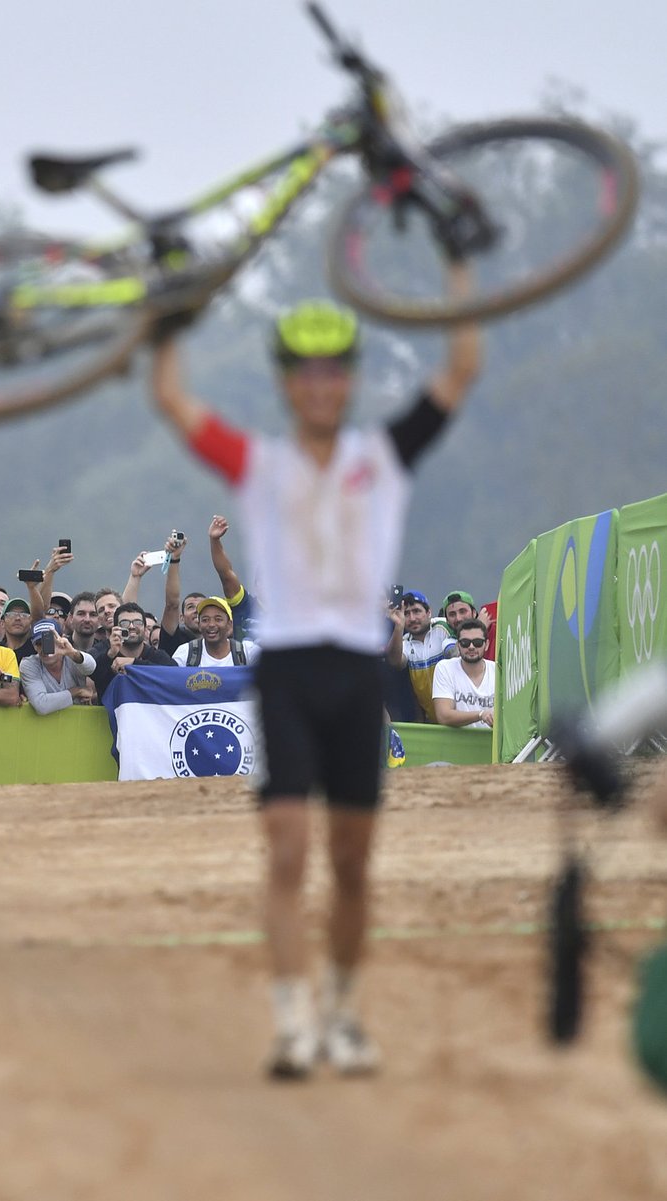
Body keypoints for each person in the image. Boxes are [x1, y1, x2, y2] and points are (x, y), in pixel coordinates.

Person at [150, 279, 481, 1080]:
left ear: (351, 379)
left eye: (335, 368)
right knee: (289, 851)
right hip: (291, 669)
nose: (321, 382)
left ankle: (342, 1011)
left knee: (353, 860)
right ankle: (294, 1020)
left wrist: (455, 256)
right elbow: (171, 396)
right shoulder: (259, 464)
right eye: (305, 369)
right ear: (286, 381)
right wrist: (168, 307)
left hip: (357, 669)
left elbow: (461, 364)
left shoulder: (383, 456)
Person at [386, 591, 454, 722]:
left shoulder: (443, 627)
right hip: (431, 721)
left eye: (417, 611)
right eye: (406, 613)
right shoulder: (405, 641)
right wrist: (398, 626)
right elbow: (395, 662)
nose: (412, 618)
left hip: (456, 716)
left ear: (429, 613)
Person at [91, 602, 177, 700]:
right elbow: (93, 674)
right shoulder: (104, 653)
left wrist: (134, 663)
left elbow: (175, 675)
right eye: (124, 623)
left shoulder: (157, 656)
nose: (131, 626)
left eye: (137, 622)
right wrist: (110, 654)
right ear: (115, 628)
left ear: (145, 629)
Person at [20, 619, 97, 714]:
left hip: (78, 723)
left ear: (61, 639)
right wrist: (77, 691)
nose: (44, 648)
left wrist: (72, 653)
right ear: (34, 646)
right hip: (46, 726)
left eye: (49, 641)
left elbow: (91, 668)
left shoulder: (73, 657)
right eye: (39, 643)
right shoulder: (29, 664)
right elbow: (41, 705)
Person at [432, 618, 495, 728]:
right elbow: (444, 716)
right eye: (465, 643)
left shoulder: (498, 671)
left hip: (492, 743)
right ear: (458, 645)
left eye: (477, 642)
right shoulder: (444, 668)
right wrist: (481, 714)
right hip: (457, 744)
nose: (471, 647)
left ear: (487, 645)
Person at [171, 596, 260, 667]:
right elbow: (171, 682)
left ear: (229, 624)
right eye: (205, 620)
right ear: (199, 625)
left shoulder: (247, 651)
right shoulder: (185, 652)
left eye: (218, 619)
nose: (211, 624)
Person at [0, 597, 36, 662]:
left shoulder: (37, 649)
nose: (17, 618)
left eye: (24, 615)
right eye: (11, 614)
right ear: (2, 623)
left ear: (31, 622)